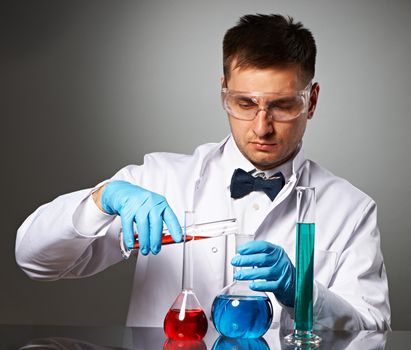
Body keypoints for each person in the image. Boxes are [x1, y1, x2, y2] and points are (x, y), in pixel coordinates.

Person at [15, 14, 390, 330]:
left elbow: (374, 329)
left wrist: (306, 294)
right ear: (223, 93)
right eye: (244, 103)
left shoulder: (350, 209)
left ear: (312, 101)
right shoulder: (159, 180)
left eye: (282, 105)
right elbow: (34, 260)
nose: (262, 126)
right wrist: (103, 198)